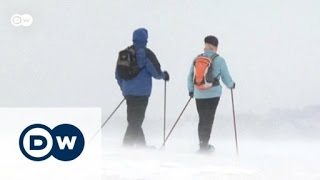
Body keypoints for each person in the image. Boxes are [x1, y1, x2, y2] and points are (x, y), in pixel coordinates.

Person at [115, 28, 169, 148]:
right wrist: (164, 75)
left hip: (128, 92)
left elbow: (118, 75)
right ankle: (126, 146)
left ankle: (141, 146)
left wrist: (123, 89)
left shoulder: (125, 54)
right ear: (145, 39)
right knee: (136, 120)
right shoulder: (147, 54)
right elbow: (156, 73)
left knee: (133, 120)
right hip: (142, 93)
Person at [187, 35, 235, 152]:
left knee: (202, 119)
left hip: (198, 94)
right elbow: (226, 78)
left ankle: (202, 144)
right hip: (213, 95)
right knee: (208, 119)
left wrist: (191, 91)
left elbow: (190, 76)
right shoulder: (219, 60)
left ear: (205, 45)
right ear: (215, 47)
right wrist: (231, 85)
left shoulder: (196, 59)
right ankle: (204, 147)